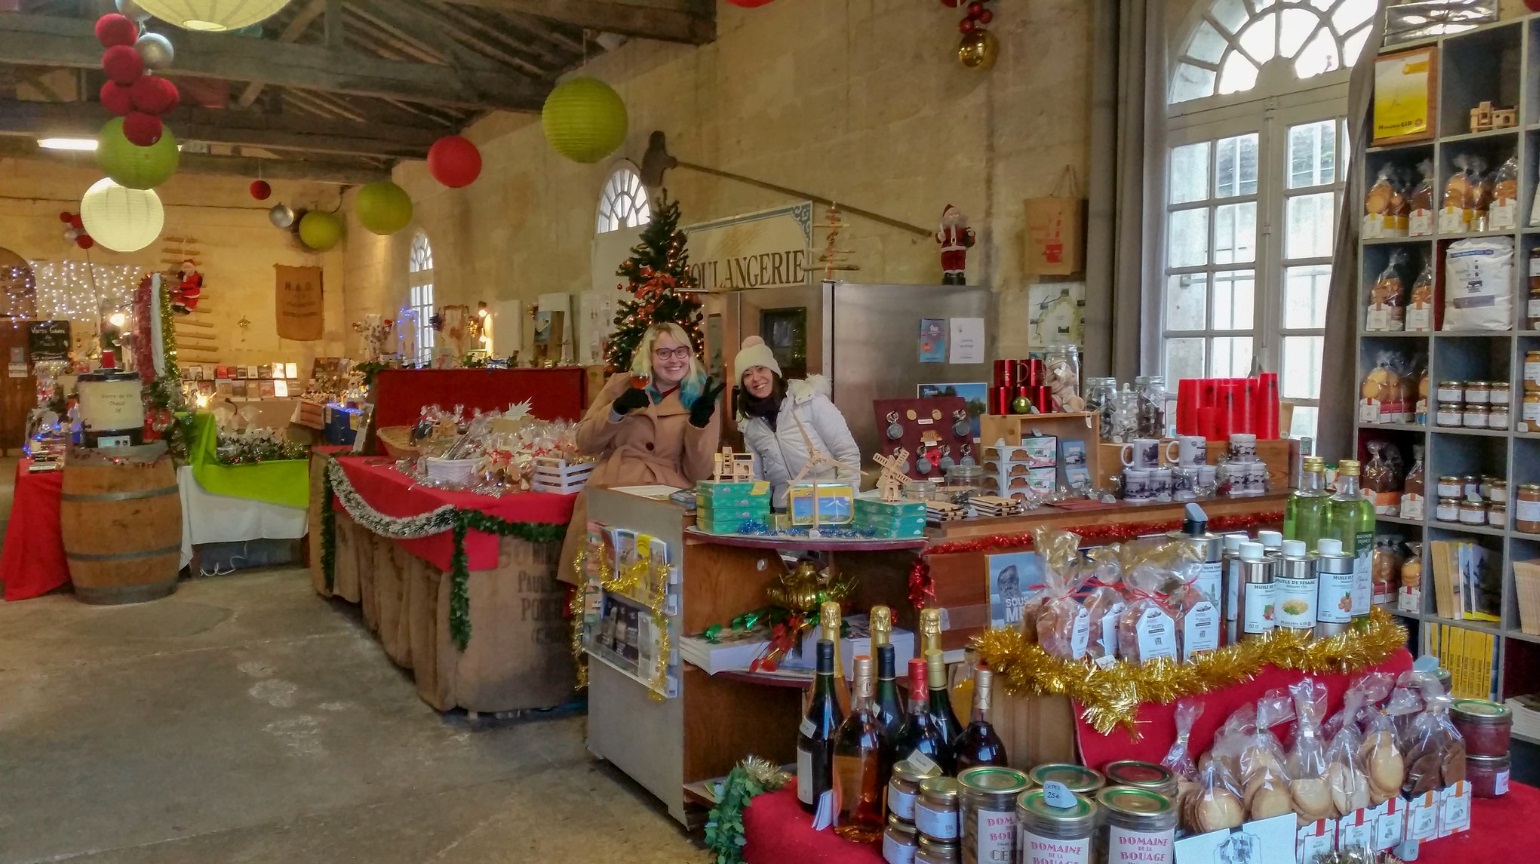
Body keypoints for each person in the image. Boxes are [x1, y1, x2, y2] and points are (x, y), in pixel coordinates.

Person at [559, 323, 724, 582]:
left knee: (653, 588)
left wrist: (698, 425)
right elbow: (585, 442)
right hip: (612, 491)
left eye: (681, 351)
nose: (674, 360)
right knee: (599, 583)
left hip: (663, 501)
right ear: (649, 356)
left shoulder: (701, 397)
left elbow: (699, 473)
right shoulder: (622, 385)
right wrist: (617, 410)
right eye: (664, 353)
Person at [733, 335, 860, 510]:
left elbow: (847, 452)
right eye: (747, 375)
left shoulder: (808, 400)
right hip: (783, 510)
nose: (755, 378)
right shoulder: (749, 422)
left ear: (773, 371)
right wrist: (755, 512)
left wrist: (846, 500)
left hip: (828, 505)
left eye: (761, 369)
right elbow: (756, 478)